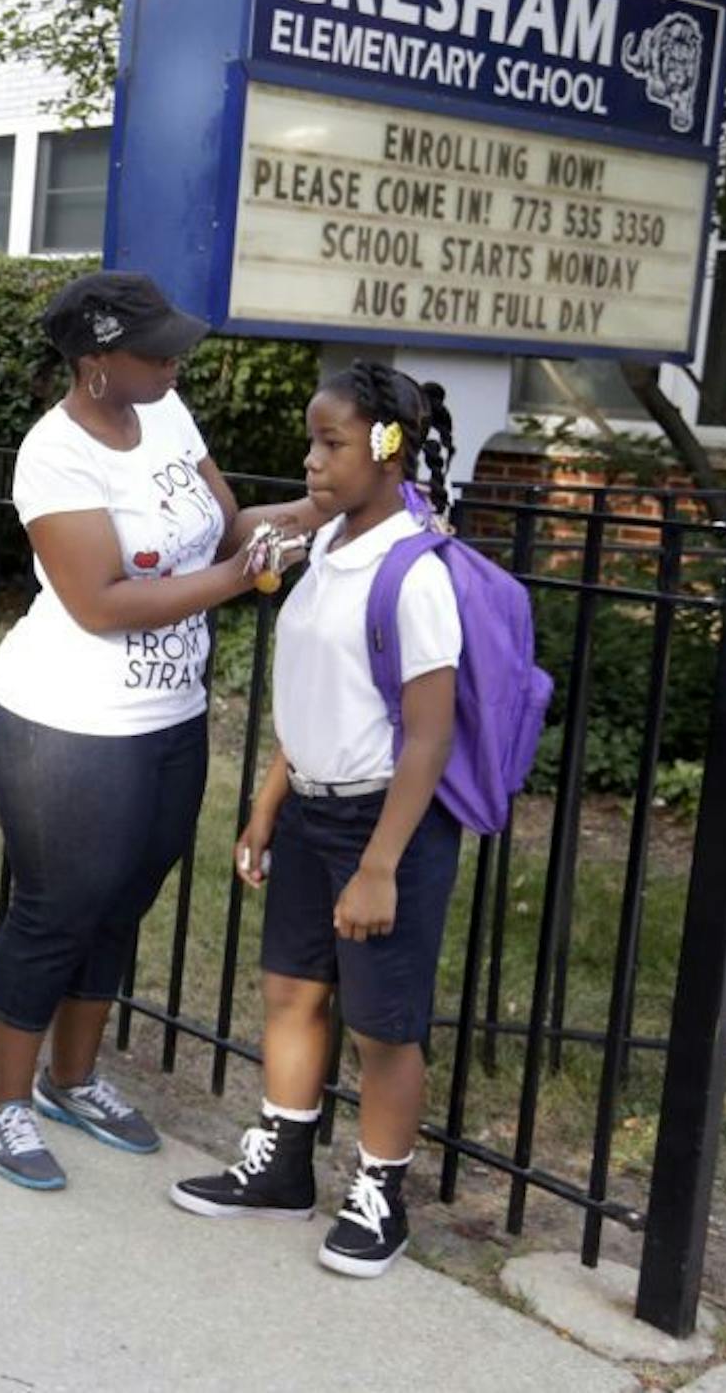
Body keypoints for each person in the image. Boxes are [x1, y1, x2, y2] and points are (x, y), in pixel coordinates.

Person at [0, 270, 318, 1191]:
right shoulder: (54, 454)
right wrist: (248, 577)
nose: (174, 360)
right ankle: (2, 1099)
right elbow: (102, 602)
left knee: (124, 900)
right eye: (153, 349)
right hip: (69, 718)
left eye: (174, 347)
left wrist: (331, 509)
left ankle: (72, 1080)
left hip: (170, 714)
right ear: (94, 364)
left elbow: (230, 523)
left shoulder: (166, 410)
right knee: (58, 905)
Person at [172, 363, 461, 1279]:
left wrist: (380, 864)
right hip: (309, 810)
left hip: (386, 824)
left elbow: (427, 738)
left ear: (387, 448)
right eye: (312, 440)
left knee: (382, 1024)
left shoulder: (416, 572)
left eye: (332, 443)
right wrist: (266, 804)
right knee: (293, 989)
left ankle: (381, 1194)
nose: (312, 459)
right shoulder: (330, 540)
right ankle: (284, 1165)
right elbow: (317, 699)